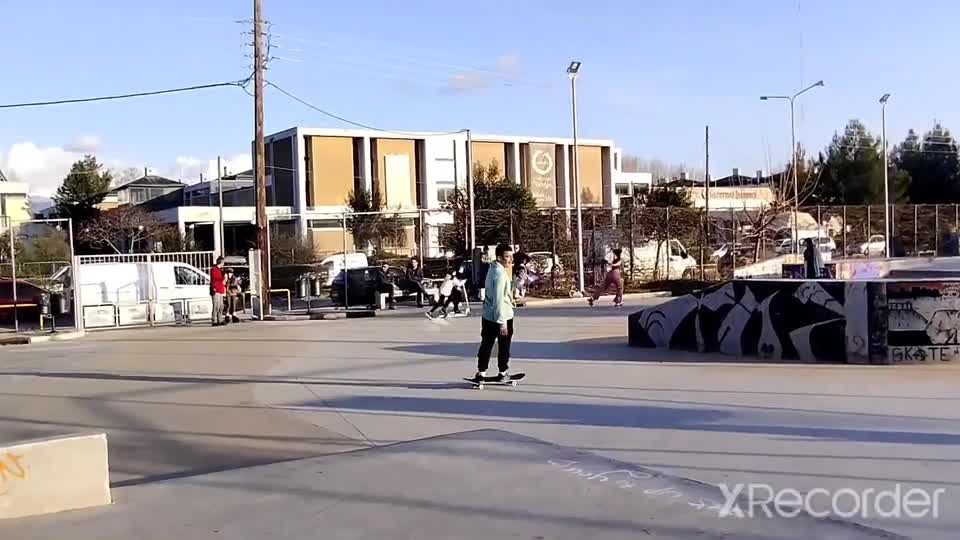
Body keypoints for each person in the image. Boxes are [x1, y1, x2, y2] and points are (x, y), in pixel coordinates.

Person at [470, 243, 515, 384]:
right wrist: (502, 323)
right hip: (502, 316)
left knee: (486, 344)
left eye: (511, 256)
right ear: (500, 257)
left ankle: (481, 372)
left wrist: (516, 283)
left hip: (488, 315)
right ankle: (503, 372)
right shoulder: (500, 274)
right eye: (507, 257)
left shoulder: (492, 269)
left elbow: (502, 293)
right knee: (504, 346)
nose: (510, 260)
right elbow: (499, 299)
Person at [210, 256, 226, 326]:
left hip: (220, 289)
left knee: (221, 306)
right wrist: (213, 287)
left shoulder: (221, 270)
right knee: (216, 305)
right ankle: (214, 320)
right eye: (223, 262)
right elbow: (214, 278)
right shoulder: (214, 269)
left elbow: (222, 279)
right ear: (221, 262)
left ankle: (220, 319)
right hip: (216, 289)